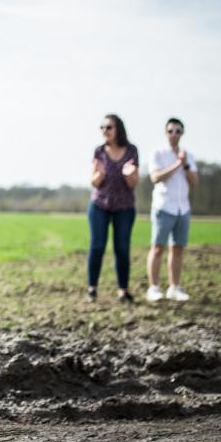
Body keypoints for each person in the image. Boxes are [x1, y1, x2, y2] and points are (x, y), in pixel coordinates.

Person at [87, 114, 139, 302]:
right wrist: (99, 174)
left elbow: (134, 183)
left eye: (108, 127)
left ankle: (123, 291)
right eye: (102, 127)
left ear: (118, 129)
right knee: (98, 245)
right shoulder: (99, 151)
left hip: (124, 206)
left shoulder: (131, 150)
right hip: (100, 204)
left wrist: (129, 175)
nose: (104, 131)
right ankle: (92, 289)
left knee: (122, 248)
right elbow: (93, 182)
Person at [146, 118, 198, 302]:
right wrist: (177, 164)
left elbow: (194, 181)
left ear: (182, 133)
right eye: (170, 131)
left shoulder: (188, 156)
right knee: (158, 248)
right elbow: (155, 177)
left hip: (182, 208)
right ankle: (154, 288)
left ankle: (174, 287)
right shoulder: (158, 154)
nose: (174, 134)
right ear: (166, 133)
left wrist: (184, 164)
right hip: (163, 206)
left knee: (177, 249)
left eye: (178, 131)